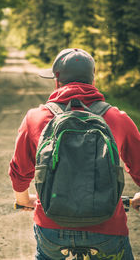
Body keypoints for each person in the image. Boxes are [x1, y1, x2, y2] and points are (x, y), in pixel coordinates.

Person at [9, 48, 140, 259]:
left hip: (51, 227)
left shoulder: (35, 117)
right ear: (92, 80)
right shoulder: (118, 118)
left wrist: (24, 199)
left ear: (57, 81)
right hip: (108, 228)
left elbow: (19, 170)